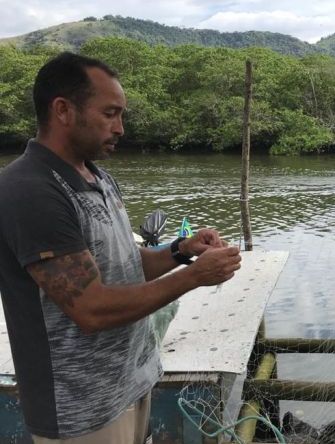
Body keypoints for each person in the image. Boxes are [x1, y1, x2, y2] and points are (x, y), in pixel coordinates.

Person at [0, 52, 242, 443]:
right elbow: (91, 309)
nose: (121, 128)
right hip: (81, 412)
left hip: (130, 385)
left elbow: (127, 266)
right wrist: (194, 277)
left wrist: (182, 250)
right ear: (63, 110)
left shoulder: (97, 176)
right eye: (110, 113)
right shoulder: (31, 190)